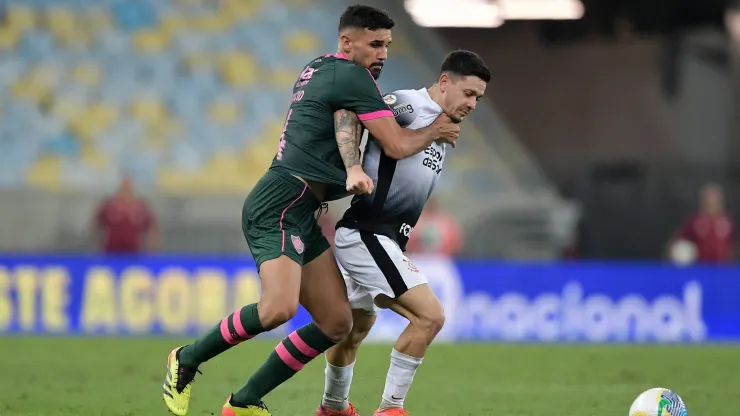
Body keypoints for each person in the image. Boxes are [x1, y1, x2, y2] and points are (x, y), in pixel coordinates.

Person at [161, 5, 461, 416]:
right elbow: (395, 145)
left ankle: (245, 402)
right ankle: (187, 358)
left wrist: (353, 164)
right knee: (277, 309)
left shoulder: (323, 69)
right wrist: (435, 131)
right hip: (282, 200)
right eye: (374, 44)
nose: (383, 53)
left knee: (338, 323)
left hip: (303, 208)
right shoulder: (352, 75)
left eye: (387, 45)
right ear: (346, 42)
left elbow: (342, 117)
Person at [316, 50, 490, 416]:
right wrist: (349, 167)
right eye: (470, 93)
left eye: (479, 98)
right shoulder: (409, 105)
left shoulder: (441, 128)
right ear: (445, 82)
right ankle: (391, 409)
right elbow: (353, 116)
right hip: (367, 234)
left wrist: (433, 134)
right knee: (430, 317)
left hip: (384, 238)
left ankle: (332, 407)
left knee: (355, 327)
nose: (474, 104)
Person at [668, 183, 735, 264]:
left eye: (714, 199)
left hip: (723, 268)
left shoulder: (728, 222)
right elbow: (677, 240)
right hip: (700, 268)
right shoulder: (694, 221)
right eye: (708, 200)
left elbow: (734, 244)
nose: (711, 202)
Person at [94, 175, 157, 254]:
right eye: (124, 186)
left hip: (133, 251)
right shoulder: (108, 205)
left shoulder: (141, 207)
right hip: (111, 251)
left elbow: (151, 228)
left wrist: (150, 249)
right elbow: (97, 224)